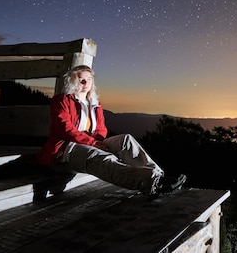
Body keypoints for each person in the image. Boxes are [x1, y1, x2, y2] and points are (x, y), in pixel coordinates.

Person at [37, 64, 186, 197]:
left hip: (92, 143)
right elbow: (65, 129)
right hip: (67, 149)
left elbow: (101, 129)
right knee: (100, 156)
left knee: (125, 140)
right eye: (81, 79)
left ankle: (160, 177)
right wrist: (93, 143)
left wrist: (98, 142)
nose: (85, 83)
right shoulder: (62, 100)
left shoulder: (94, 103)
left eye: (89, 79)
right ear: (73, 81)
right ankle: (152, 183)